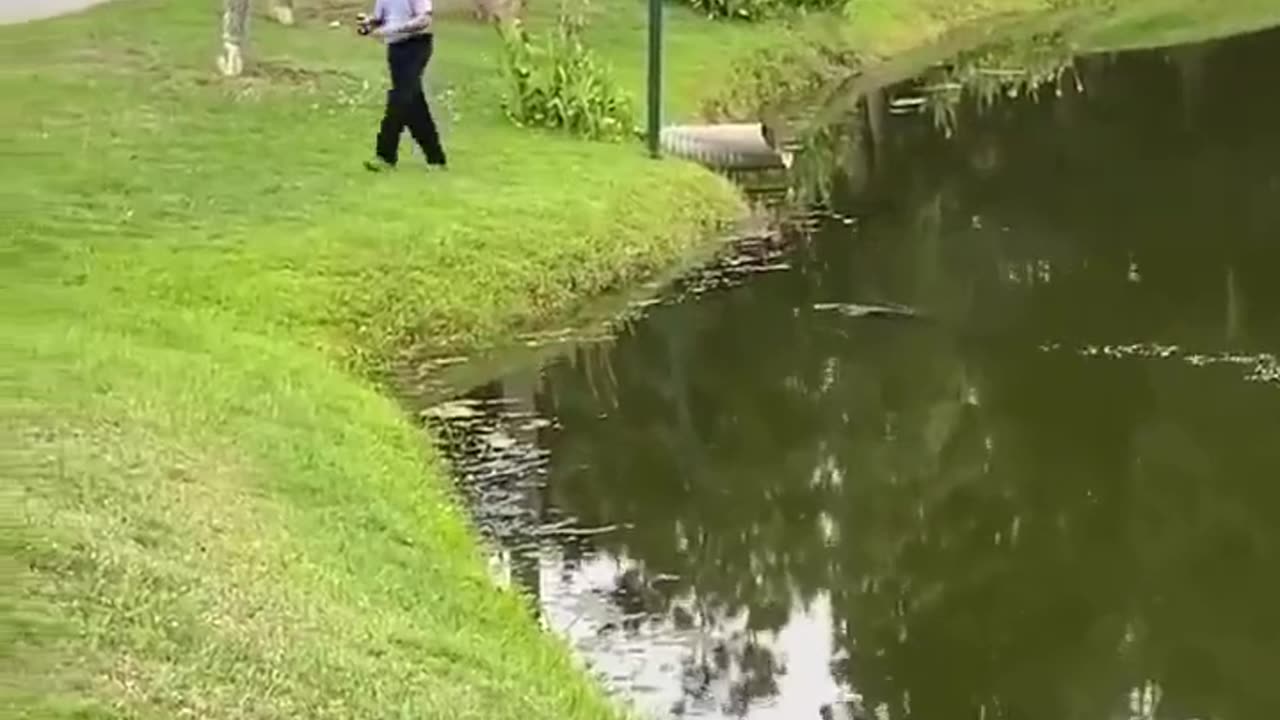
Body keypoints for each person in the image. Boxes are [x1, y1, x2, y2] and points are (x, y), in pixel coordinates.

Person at [359, 0, 448, 171]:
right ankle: (436, 158)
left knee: (400, 98)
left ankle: (385, 156)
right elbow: (381, 19)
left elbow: (424, 21)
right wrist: (369, 24)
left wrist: (394, 29)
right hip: (395, 49)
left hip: (416, 46)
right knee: (413, 102)